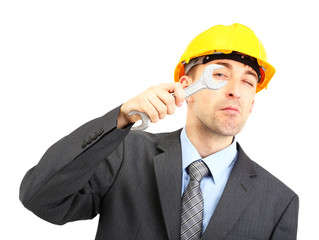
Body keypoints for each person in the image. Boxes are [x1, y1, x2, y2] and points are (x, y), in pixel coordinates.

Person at [20, 23, 299, 240]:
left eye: (248, 82)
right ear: (187, 86)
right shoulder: (125, 153)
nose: (235, 91)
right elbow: (41, 198)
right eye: (220, 75)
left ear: (252, 103)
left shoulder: (279, 201)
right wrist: (119, 119)